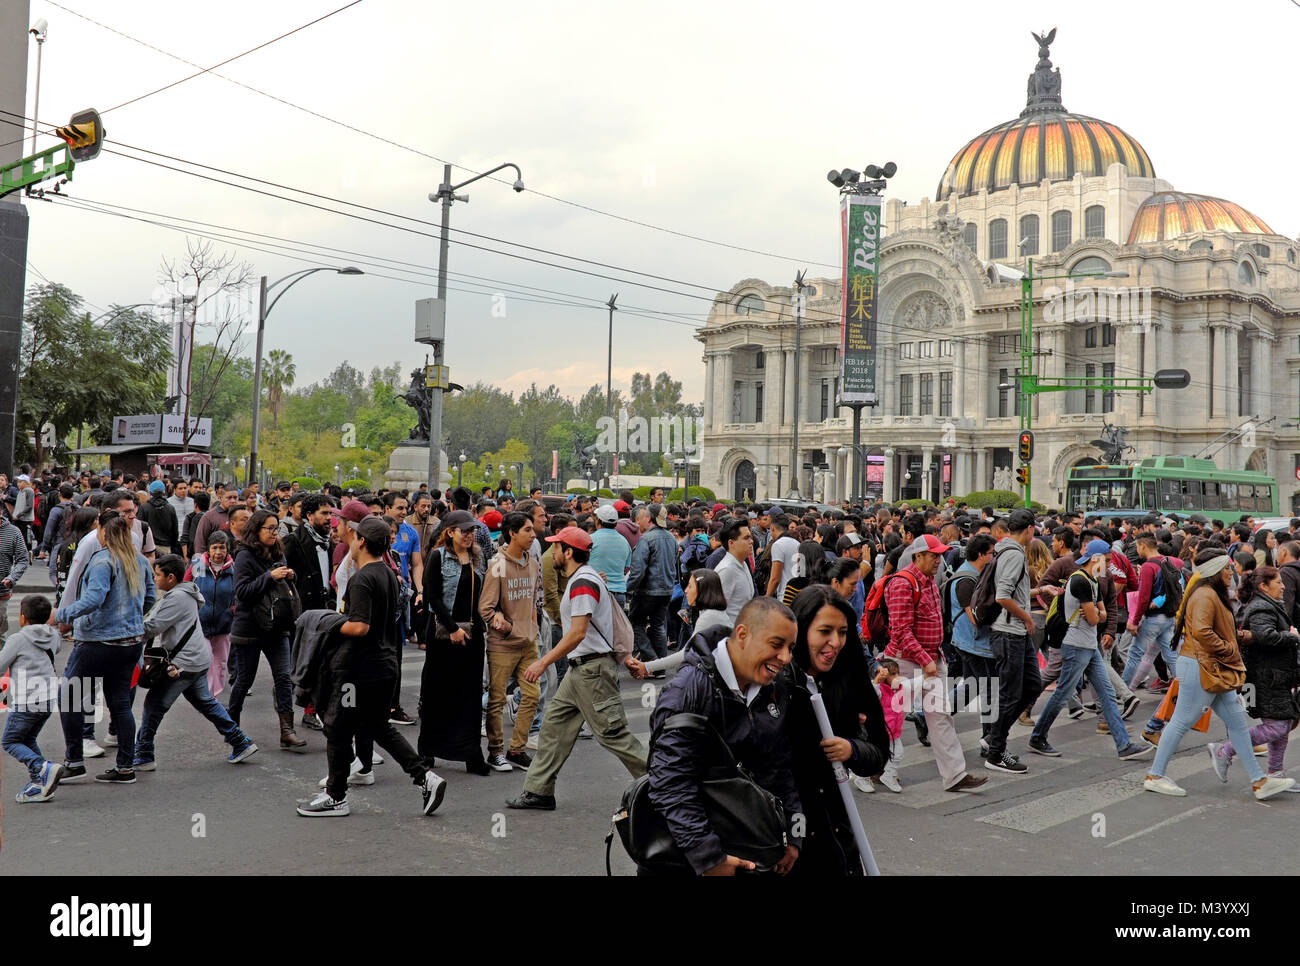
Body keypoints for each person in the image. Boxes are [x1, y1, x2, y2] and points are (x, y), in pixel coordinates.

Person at [297, 515, 447, 817]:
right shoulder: (388, 574)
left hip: (358, 669)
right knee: (377, 726)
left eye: (352, 537)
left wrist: (326, 623)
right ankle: (425, 777)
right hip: (383, 664)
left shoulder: (363, 578)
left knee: (338, 729)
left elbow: (359, 626)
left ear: (361, 541)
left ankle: (336, 797)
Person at [641, 597, 803, 875]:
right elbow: (669, 782)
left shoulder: (775, 688)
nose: (785, 658)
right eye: (776, 645)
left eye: (790, 648)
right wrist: (708, 856)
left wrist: (794, 834)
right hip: (690, 861)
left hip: (753, 853)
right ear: (742, 634)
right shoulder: (688, 690)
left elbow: (781, 767)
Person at [507, 525, 647, 811]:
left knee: (613, 734)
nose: (553, 552)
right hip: (581, 669)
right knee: (554, 728)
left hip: (591, 670)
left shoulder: (583, 581)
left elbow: (578, 633)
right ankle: (539, 791)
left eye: (557, 547)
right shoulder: (585, 578)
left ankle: (667, 785)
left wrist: (543, 662)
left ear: (568, 552)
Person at [1143, 552, 1295, 800]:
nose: (1231, 573)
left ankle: (1259, 781)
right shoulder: (1206, 594)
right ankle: (1155, 776)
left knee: (1236, 722)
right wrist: (1229, 648)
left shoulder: (1208, 593)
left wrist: (1233, 643)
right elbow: (1203, 631)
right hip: (1202, 665)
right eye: (1227, 569)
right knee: (1182, 720)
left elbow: (1210, 631)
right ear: (1215, 571)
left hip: (1207, 666)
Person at [785, 585, 889, 875]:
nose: (835, 642)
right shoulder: (779, 681)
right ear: (802, 630)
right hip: (790, 827)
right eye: (824, 631)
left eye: (842, 632)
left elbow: (879, 751)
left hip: (836, 825)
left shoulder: (850, 678)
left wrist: (852, 749)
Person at [53, 513, 157, 784]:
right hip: (131, 643)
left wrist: (62, 615)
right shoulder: (141, 561)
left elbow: (93, 599)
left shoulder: (103, 560)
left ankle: (74, 760)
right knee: (121, 704)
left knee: (70, 697)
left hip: (97, 642)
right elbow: (150, 598)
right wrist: (131, 620)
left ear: (103, 533)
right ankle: (125, 766)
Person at [1026, 541, 1153, 760]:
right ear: (1094, 558)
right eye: (1105, 561)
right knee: (1062, 693)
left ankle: (1123, 746)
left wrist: (1098, 614)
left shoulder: (1093, 580)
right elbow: (1095, 618)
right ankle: (1038, 736)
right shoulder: (1079, 581)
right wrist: (1097, 614)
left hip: (1089, 645)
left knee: (1107, 694)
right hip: (1075, 645)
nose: (1108, 565)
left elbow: (1101, 614)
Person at [133, 554, 259, 771]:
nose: (154, 579)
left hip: (184, 663)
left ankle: (144, 754)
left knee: (154, 705)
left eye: (157, 575)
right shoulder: (186, 593)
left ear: (171, 577)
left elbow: (152, 627)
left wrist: (127, 628)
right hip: (196, 659)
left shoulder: (176, 598)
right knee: (206, 703)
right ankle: (240, 741)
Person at [883, 533, 986, 792]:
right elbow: (901, 631)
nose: (938, 560)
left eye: (940, 555)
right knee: (888, 718)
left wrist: (933, 658)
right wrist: (925, 660)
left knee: (940, 716)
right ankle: (875, 769)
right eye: (933, 555)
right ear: (918, 556)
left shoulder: (928, 580)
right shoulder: (902, 583)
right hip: (904, 661)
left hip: (930, 657)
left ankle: (954, 775)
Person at [1209, 566, 1300, 786]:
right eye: (1278, 582)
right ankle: (1225, 750)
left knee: (1283, 723)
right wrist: (1292, 636)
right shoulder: (1261, 608)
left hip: (1275, 675)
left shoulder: (1267, 604)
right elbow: (1265, 637)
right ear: (1263, 586)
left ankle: (1275, 773)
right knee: (1278, 726)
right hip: (1265, 677)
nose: (1283, 586)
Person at [227, 509, 306, 750]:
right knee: (243, 680)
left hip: (277, 626)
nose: (274, 533)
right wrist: (270, 576)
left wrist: (289, 576)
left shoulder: (278, 552)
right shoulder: (244, 556)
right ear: (256, 529)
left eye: (276, 528)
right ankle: (232, 728)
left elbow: (281, 589)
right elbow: (242, 592)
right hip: (249, 627)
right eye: (269, 529)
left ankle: (287, 730)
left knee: (283, 677)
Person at [419, 510, 491, 774]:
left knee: (470, 695)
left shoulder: (478, 556)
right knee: (437, 692)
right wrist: (452, 628)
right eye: (464, 531)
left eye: (472, 530)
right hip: (442, 633)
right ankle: (427, 751)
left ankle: (472, 754)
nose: (470, 535)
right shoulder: (438, 557)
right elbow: (432, 598)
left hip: (472, 632)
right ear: (450, 532)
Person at [479, 510, 540, 771]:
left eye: (533, 529)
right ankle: (495, 752)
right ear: (512, 533)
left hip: (528, 643)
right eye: (527, 530)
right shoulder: (498, 565)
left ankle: (517, 749)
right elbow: (486, 608)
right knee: (496, 699)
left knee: (532, 695)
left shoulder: (533, 563)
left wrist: (533, 627)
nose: (533, 535)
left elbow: (534, 601)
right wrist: (501, 623)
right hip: (503, 644)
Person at [984, 508, 1041, 774]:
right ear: (1029, 529)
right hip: (1009, 632)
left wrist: (1038, 590)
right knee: (1011, 694)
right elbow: (1003, 596)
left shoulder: (1007, 551)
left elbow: (1013, 591)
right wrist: (1027, 619)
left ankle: (995, 736)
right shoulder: (1014, 554)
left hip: (1015, 631)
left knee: (1032, 686)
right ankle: (996, 751)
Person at [2, 595, 66, 802]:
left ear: (22, 617)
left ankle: (43, 768)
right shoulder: (53, 635)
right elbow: (56, 648)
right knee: (27, 739)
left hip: (27, 701)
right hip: (47, 699)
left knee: (10, 741)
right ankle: (39, 783)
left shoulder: (18, 639)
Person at [627, 568, 730, 680]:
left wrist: (647, 666)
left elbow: (685, 653)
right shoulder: (710, 613)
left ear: (702, 590)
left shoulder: (709, 616)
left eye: (690, 586)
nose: (686, 590)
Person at [187, 532, 236, 699]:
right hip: (201, 622)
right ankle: (208, 697)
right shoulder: (198, 566)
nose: (218, 552)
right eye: (214, 547)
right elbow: (186, 586)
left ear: (227, 549)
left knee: (220, 663)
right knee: (207, 659)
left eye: (222, 547)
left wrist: (233, 610)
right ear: (208, 549)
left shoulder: (233, 569)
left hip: (224, 624)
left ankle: (214, 695)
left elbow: (239, 592)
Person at [627, 504, 678, 663]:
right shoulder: (671, 538)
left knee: (636, 623)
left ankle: (653, 660)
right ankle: (660, 665)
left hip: (647, 591)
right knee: (657, 627)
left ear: (649, 518)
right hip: (667, 590)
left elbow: (638, 571)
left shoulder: (646, 539)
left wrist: (628, 589)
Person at [713, 517, 755, 625]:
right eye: (746, 538)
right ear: (731, 543)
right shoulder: (726, 570)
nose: (751, 541)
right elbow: (716, 612)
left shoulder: (743, 563)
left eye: (750, 537)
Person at [589, 504, 632, 608]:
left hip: (596, 592)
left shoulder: (590, 540)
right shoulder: (624, 542)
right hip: (619, 594)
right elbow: (626, 566)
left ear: (598, 521)